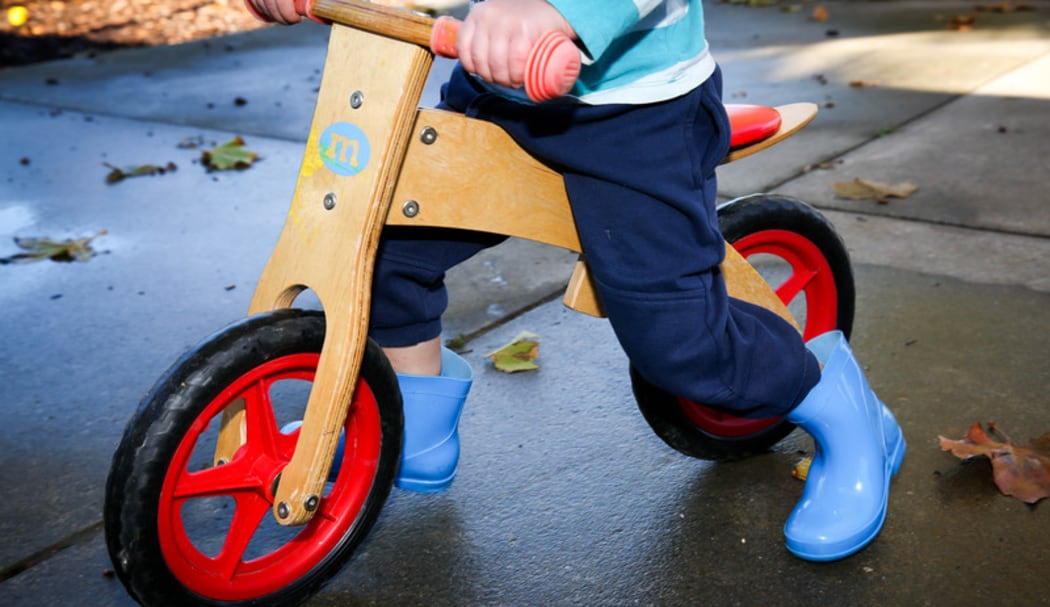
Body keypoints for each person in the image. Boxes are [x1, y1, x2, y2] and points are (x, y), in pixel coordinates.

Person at [243, 0, 905, 561]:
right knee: (383, 243)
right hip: (498, 83)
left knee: (678, 343)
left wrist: (562, 10)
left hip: (632, 116)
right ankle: (416, 422)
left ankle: (842, 408)